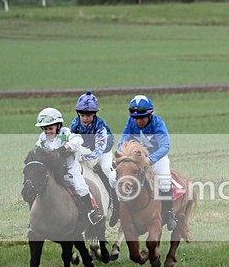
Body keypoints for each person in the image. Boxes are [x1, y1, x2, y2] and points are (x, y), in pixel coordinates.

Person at [34, 107, 103, 225]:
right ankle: (36, 215)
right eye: (45, 129)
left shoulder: (65, 133)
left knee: (80, 186)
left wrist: (63, 148)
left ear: (58, 126)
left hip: (70, 168)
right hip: (53, 169)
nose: (47, 131)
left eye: (50, 128)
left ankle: (92, 211)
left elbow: (78, 140)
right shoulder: (42, 138)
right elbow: (37, 149)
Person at [116, 95, 177, 230]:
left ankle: (169, 213)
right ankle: (116, 210)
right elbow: (122, 142)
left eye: (142, 117)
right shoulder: (130, 123)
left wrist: (150, 160)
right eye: (135, 118)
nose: (138, 121)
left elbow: (165, 146)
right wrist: (125, 157)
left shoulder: (158, 123)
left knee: (165, 181)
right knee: (112, 178)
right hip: (136, 160)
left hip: (156, 159)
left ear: (150, 115)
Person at [69, 91, 120, 226]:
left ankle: (116, 205)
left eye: (89, 115)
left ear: (94, 114)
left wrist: (83, 156)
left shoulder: (100, 126)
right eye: (82, 115)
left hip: (103, 151)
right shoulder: (74, 124)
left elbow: (99, 150)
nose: (85, 118)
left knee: (106, 170)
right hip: (86, 149)